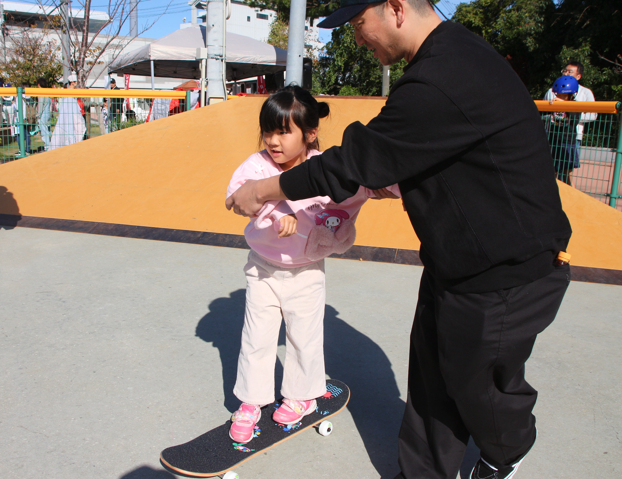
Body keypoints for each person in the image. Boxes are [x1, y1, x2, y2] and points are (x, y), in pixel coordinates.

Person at [225, 1, 572, 478]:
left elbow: (357, 161)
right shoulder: (444, 61)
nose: (357, 38)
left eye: (359, 24)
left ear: (394, 8)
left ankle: (507, 449)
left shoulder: (444, 75)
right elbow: (413, 157)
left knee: (477, 387)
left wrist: (266, 189)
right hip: (455, 260)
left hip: (506, 271)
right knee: (431, 384)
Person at [225, 85, 399, 444]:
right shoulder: (259, 165)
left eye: (283, 132)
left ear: (310, 133)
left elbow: (371, 181)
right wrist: (276, 211)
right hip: (262, 269)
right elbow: (235, 194)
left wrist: (388, 186)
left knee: (304, 337)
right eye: (268, 131)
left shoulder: (326, 170)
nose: (273, 141)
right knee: (257, 338)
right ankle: (251, 402)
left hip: (306, 272)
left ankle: (301, 397)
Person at [544, 76, 582, 185]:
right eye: (558, 95)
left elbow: (574, 120)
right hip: (553, 141)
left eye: (563, 95)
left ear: (571, 95)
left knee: (566, 174)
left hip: (567, 142)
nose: (559, 97)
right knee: (552, 173)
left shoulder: (575, 105)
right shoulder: (553, 103)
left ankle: (571, 194)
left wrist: (563, 104)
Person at [48, 75, 85, 150]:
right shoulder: (71, 91)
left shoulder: (69, 90)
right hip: (70, 109)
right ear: (73, 82)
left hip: (70, 109)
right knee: (73, 126)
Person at [36, 77, 52, 149]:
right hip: (48, 114)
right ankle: (50, 144)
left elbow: (40, 105)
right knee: (48, 131)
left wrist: (38, 115)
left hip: (43, 115)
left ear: (39, 84)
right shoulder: (47, 93)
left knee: (44, 131)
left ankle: (47, 147)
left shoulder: (41, 93)